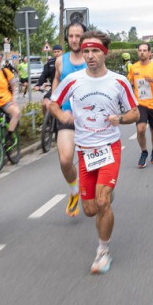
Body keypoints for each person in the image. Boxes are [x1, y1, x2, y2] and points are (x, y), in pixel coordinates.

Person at [50, 30, 138, 274]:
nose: (90, 55)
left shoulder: (118, 81)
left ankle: (103, 251)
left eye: (95, 51)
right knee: (90, 210)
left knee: (102, 202)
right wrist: (61, 115)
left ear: (104, 53)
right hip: (85, 151)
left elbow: (135, 113)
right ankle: (105, 193)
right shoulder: (73, 80)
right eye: (86, 51)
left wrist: (120, 118)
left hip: (109, 148)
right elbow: (52, 102)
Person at [51, 21, 88, 216]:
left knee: (92, 163)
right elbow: (57, 80)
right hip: (67, 116)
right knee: (65, 160)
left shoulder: (92, 58)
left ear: (84, 37)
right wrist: (54, 102)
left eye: (78, 36)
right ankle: (74, 190)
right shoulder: (60, 61)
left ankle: (101, 187)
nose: (74, 40)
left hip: (90, 118)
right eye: (71, 36)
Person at [127, 42, 153, 168]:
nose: (142, 52)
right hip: (140, 103)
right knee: (140, 129)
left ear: (149, 53)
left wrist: (152, 80)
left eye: (144, 50)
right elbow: (130, 82)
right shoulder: (133, 67)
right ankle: (144, 152)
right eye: (140, 50)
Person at [0, 52, 22, 144]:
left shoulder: (5, 72)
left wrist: (14, 99)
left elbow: (14, 86)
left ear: (0, 62)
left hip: (6, 101)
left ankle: (9, 136)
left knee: (16, 113)